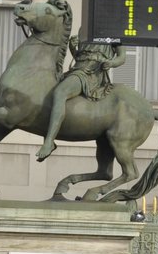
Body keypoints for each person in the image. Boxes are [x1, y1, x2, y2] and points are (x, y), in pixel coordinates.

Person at [37, 30, 127, 160]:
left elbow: (122, 57)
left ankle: (49, 142)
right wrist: (73, 48)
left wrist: (111, 63)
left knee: (60, 92)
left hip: (91, 73)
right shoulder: (84, 28)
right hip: (77, 69)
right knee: (47, 92)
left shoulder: (113, 30)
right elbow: (80, 56)